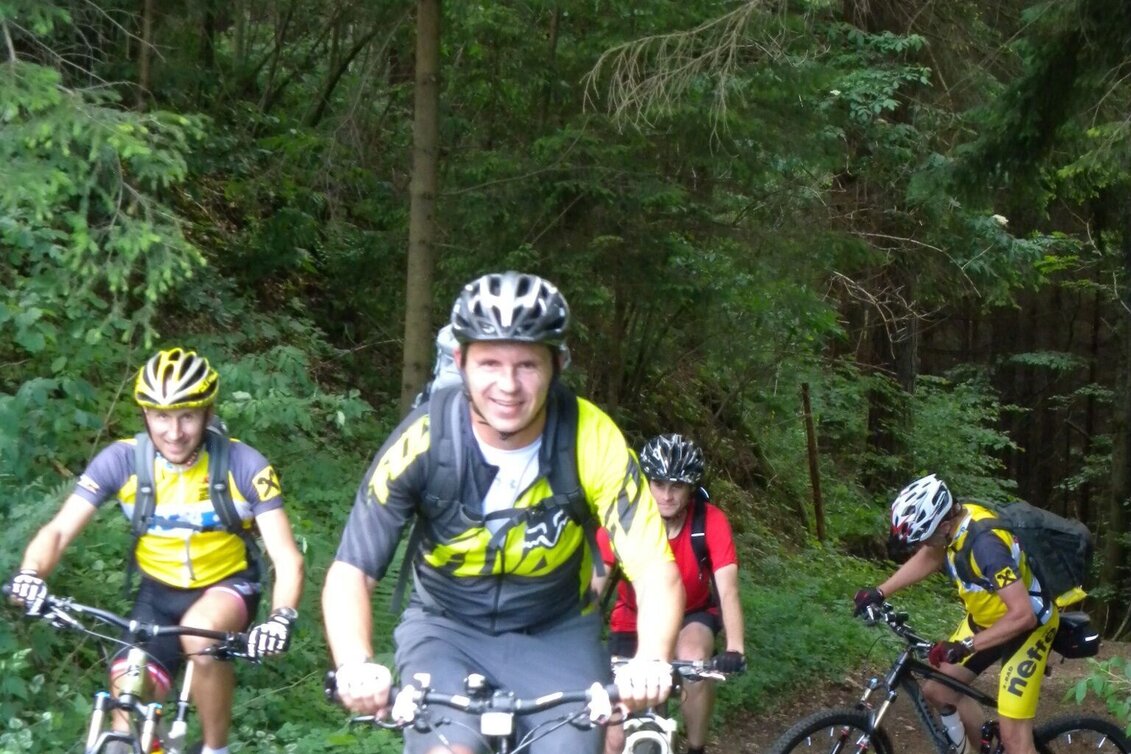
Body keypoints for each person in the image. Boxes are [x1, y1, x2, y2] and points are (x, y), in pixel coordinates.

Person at [322, 271, 684, 754]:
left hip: (556, 631)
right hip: (446, 629)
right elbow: (351, 572)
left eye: (527, 365)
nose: (508, 385)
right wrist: (354, 663)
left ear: (556, 365)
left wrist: (652, 658)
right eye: (489, 363)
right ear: (461, 362)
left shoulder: (592, 439)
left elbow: (657, 572)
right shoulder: (424, 440)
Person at [6, 348, 305, 754]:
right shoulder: (122, 461)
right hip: (157, 594)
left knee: (200, 636)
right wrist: (31, 574)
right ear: (145, 414)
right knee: (126, 696)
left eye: (187, 416)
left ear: (208, 413)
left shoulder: (245, 465)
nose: (174, 432)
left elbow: (287, 558)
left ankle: (216, 748)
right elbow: (59, 531)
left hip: (227, 585)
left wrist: (280, 619)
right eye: (161, 416)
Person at [853, 474, 1059, 754]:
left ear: (944, 525)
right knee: (939, 690)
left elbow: (1023, 616)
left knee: (1014, 740)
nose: (922, 545)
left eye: (924, 538)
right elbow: (932, 555)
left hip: (1028, 628)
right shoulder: (954, 525)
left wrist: (966, 646)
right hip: (987, 621)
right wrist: (880, 592)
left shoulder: (986, 547)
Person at [598, 433, 746, 754]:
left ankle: (695, 748)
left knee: (694, 661)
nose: (666, 495)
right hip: (633, 616)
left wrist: (735, 647)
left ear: (691, 487)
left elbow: (728, 589)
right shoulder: (623, 518)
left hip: (692, 614)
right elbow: (594, 585)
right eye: (659, 484)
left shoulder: (710, 522)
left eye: (676, 486)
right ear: (646, 483)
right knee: (614, 735)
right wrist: (574, 632)